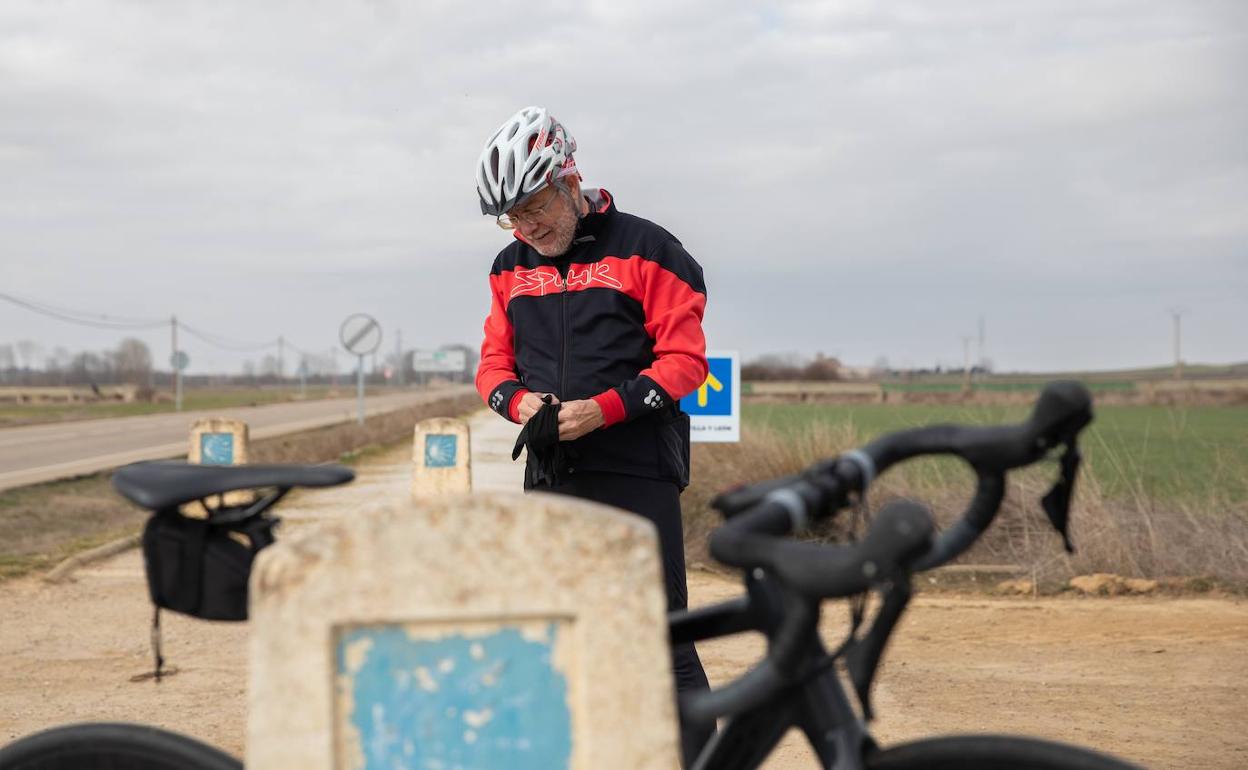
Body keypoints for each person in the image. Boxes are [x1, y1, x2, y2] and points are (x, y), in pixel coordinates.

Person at [474, 105, 714, 763]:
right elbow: (492, 368)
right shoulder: (507, 266)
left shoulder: (650, 248)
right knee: (558, 631)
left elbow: (686, 363)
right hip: (552, 471)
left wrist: (601, 410)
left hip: (637, 466)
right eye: (512, 216)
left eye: (534, 205)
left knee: (661, 632)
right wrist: (521, 404)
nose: (527, 225)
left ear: (569, 177)